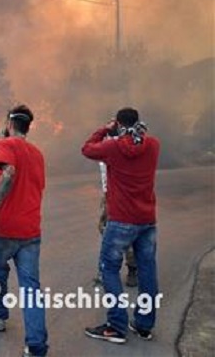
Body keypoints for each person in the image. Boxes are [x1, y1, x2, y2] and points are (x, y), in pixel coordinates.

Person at [82, 108, 160, 344]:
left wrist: (105, 129)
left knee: (108, 269)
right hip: (147, 220)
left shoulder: (112, 147)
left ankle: (116, 326)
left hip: (121, 221)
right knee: (148, 271)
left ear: (118, 124)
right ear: (138, 123)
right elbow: (139, 142)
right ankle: (144, 325)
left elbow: (87, 148)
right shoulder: (153, 144)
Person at [0, 105, 49, 357]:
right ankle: (36, 346)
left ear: (10, 124)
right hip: (30, 230)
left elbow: (9, 172)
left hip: (5, 227)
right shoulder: (38, 153)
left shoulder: (6, 145)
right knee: (31, 287)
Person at [95, 161, 138, 288]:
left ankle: (132, 270)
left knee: (125, 233)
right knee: (107, 231)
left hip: (127, 197)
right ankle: (109, 270)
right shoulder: (108, 148)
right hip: (111, 197)